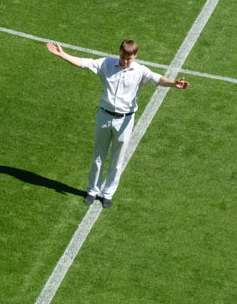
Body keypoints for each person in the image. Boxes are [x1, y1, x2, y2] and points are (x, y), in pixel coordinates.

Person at [45, 40, 188, 209]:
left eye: (129, 58)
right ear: (119, 53)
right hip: (104, 116)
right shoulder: (106, 63)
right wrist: (62, 54)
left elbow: (158, 79)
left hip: (125, 120)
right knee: (98, 156)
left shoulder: (140, 71)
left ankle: (108, 194)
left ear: (135, 56)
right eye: (123, 57)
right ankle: (92, 191)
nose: (125, 61)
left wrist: (173, 84)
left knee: (117, 159)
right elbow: (83, 63)